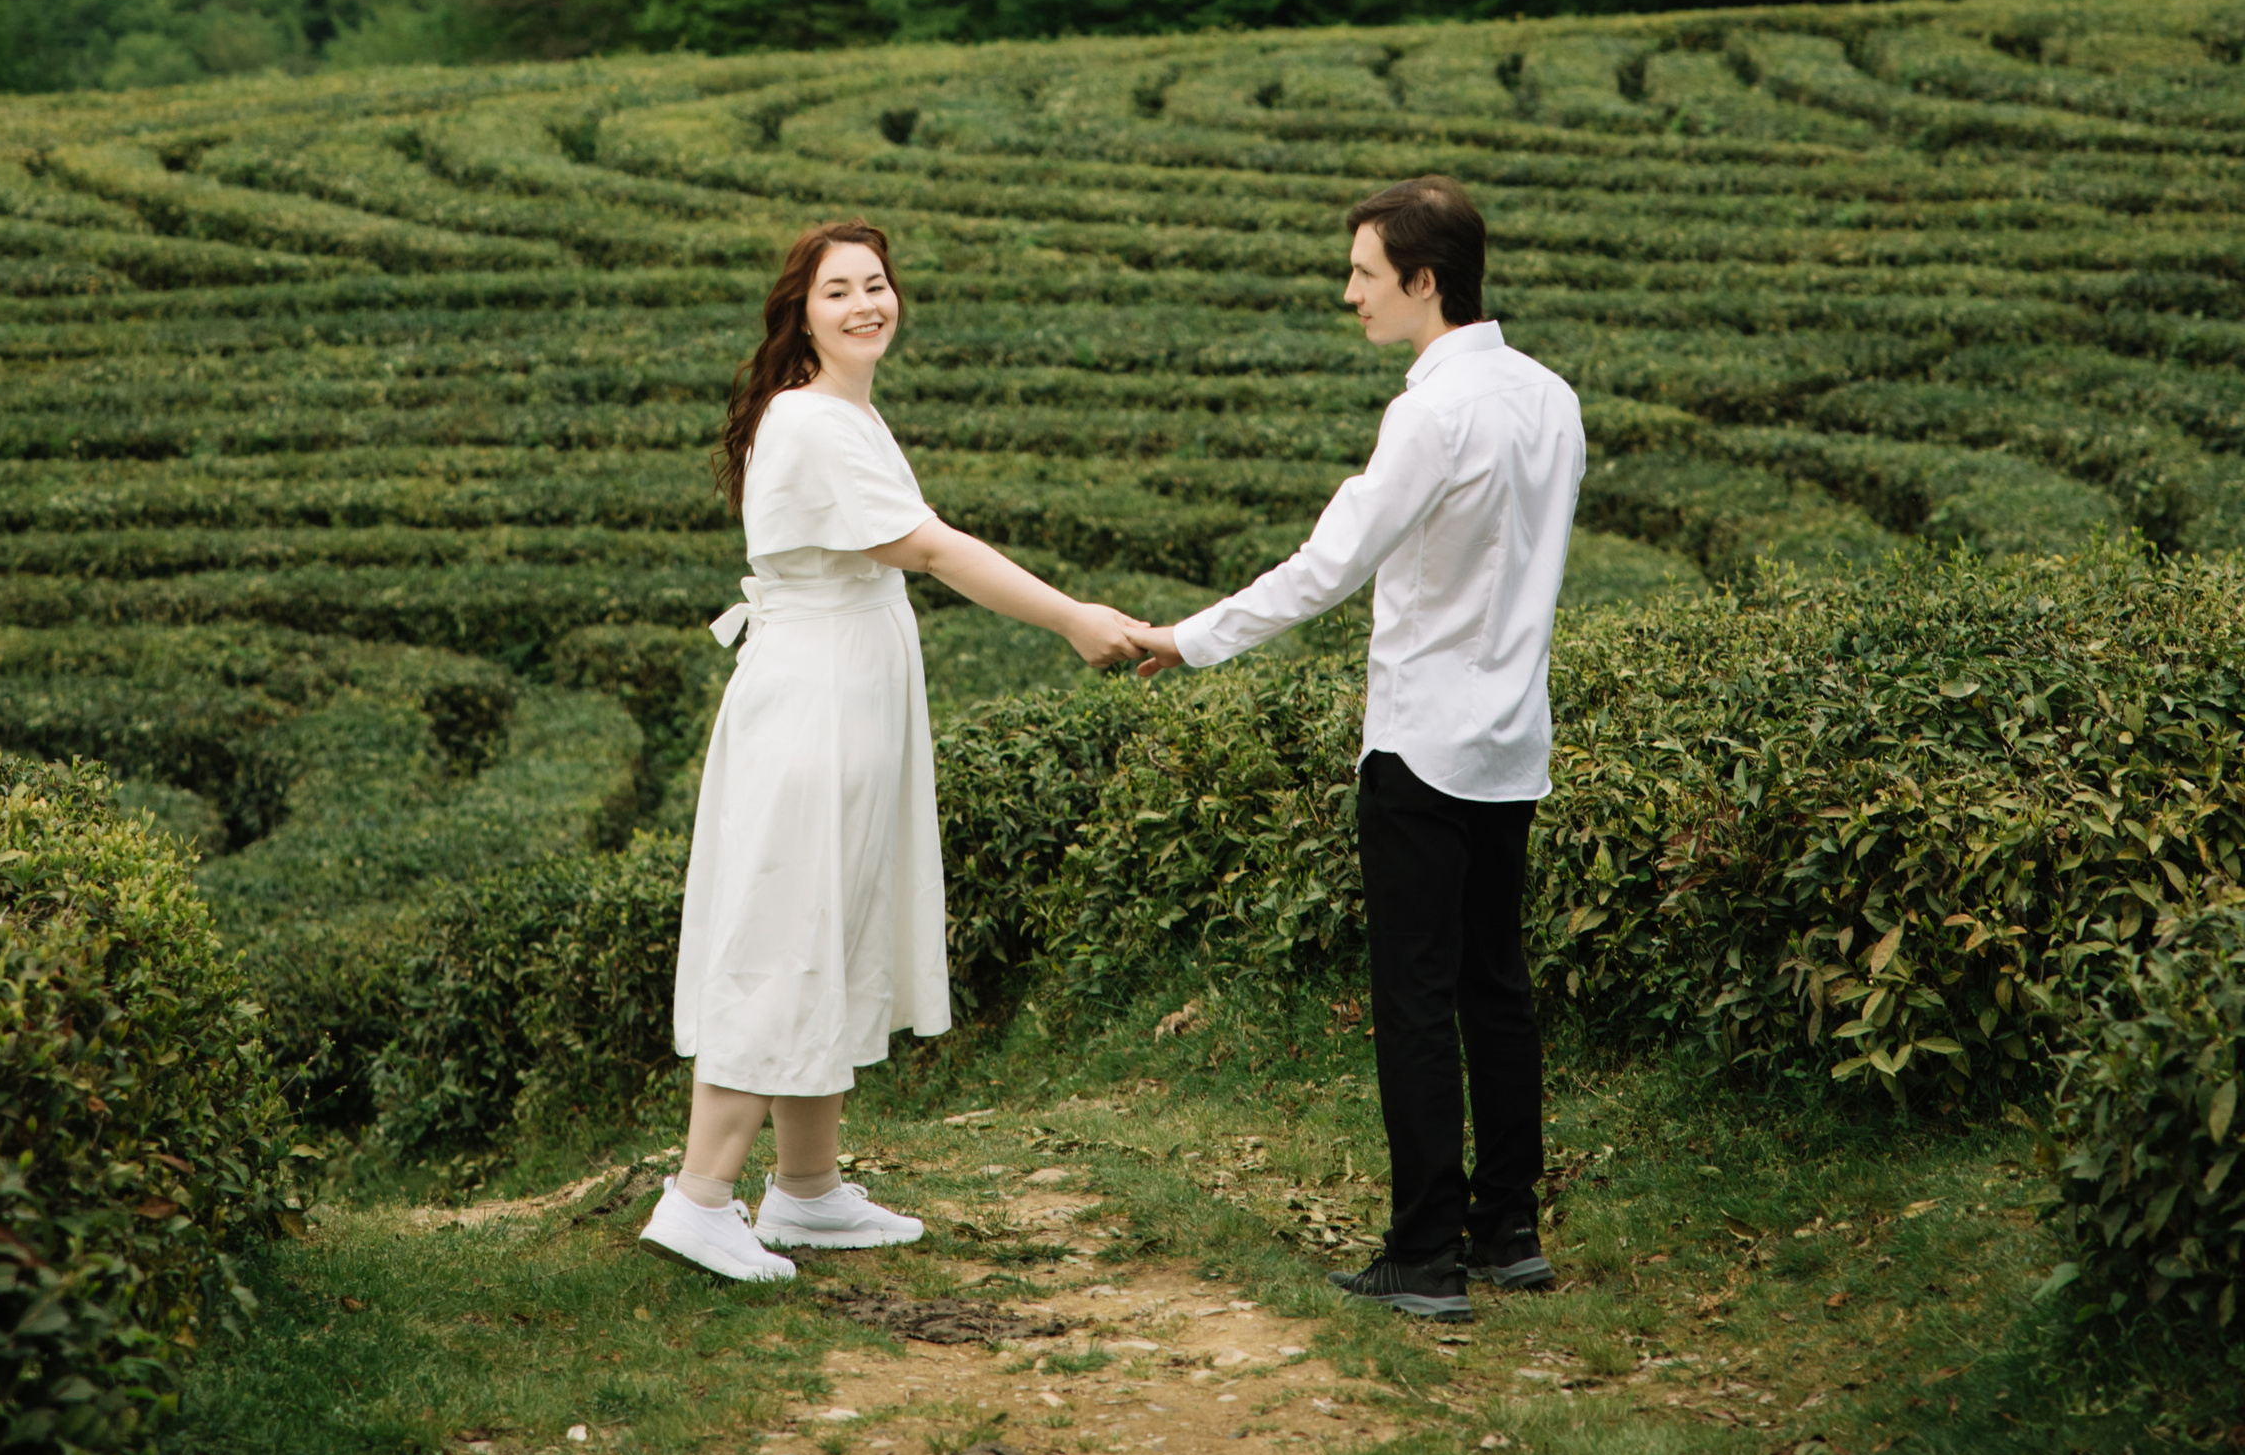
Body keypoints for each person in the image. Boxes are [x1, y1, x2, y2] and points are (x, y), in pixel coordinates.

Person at [644, 216, 1156, 1285]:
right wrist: (1069, 615)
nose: (866, 305)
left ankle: (807, 1191)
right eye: (838, 292)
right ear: (802, 316)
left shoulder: (843, 414)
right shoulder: (813, 424)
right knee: (785, 929)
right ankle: (698, 1199)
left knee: (831, 922)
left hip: (848, 692)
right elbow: (925, 547)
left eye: (876, 285)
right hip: (815, 703)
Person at [1134, 176, 1584, 1324]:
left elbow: (1326, 567)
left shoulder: (1430, 413)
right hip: (1513, 738)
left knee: (1416, 1000)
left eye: (1363, 275)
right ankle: (1509, 1231)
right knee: (1497, 987)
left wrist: (1188, 641)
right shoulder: (1550, 396)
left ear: (1423, 282)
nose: (1348, 296)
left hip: (1423, 744)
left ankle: (1425, 1254)